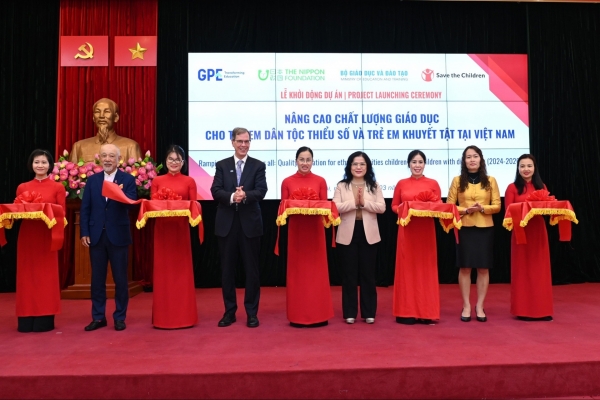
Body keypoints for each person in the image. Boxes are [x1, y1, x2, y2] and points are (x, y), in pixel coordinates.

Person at [210, 127, 267, 328]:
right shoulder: (222, 165)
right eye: (240, 141)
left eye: (247, 141)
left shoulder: (258, 165)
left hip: (250, 225)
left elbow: (261, 190)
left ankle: (252, 313)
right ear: (232, 142)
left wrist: (245, 196)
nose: (244, 145)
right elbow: (215, 191)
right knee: (227, 270)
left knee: (252, 270)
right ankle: (229, 312)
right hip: (227, 225)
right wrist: (233, 196)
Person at [80, 143, 137, 331]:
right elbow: (85, 208)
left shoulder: (127, 179)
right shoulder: (92, 181)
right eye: (104, 155)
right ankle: (98, 317)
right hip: (96, 236)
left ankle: (120, 317)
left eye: (111, 156)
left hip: (118, 235)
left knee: (121, 279)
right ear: (99, 158)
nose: (107, 159)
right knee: (97, 280)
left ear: (119, 159)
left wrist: (117, 193)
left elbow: (131, 204)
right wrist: (84, 232)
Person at [281, 146, 334, 327]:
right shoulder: (287, 181)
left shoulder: (320, 181)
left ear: (313, 161)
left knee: (317, 274)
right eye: (302, 159)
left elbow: (325, 205)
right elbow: (283, 206)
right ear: (296, 161)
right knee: (298, 274)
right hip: (296, 232)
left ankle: (320, 314)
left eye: (308, 160)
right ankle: (297, 315)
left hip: (315, 232)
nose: (305, 163)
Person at [446, 145, 501, 323]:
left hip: (485, 228)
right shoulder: (457, 180)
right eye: (468, 157)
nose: (472, 160)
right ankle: (466, 306)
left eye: (475, 156)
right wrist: (466, 210)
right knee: (465, 267)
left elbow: (497, 206)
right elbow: (449, 206)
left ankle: (480, 306)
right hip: (465, 227)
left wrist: (483, 208)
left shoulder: (491, 180)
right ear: (464, 161)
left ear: (481, 159)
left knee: (483, 268)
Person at [15, 149, 66, 332]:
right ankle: (25, 316)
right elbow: (17, 210)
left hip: (47, 236)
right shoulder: (22, 187)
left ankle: (45, 317)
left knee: (46, 277)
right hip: (28, 236)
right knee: (26, 276)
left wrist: (46, 211)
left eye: (44, 162)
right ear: (31, 164)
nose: (40, 165)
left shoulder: (58, 187)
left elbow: (62, 213)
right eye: (37, 162)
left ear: (50, 165)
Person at [333, 151, 385, 325]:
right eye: (355, 164)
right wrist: (354, 203)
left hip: (368, 233)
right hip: (347, 233)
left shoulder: (374, 185)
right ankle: (350, 312)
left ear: (367, 167)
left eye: (362, 164)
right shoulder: (342, 186)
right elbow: (335, 207)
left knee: (368, 275)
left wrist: (364, 203)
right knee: (349, 275)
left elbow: (382, 207)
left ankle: (369, 312)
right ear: (349, 166)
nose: (358, 167)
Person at [391, 150, 442, 325]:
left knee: (426, 270)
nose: (417, 165)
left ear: (425, 164)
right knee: (406, 270)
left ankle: (427, 312)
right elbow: (394, 206)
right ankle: (406, 312)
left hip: (426, 231)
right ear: (409, 164)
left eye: (420, 162)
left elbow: (439, 205)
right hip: (407, 230)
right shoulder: (401, 183)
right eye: (414, 162)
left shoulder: (433, 183)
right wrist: (405, 209)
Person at [150, 145, 198, 329]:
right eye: (171, 159)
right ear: (165, 161)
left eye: (178, 159)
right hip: (162, 232)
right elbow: (153, 205)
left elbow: (194, 206)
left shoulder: (189, 181)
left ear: (183, 162)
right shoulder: (157, 180)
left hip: (180, 232)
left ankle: (184, 317)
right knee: (163, 274)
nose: (174, 162)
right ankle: (163, 318)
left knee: (181, 274)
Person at [504, 154, 553, 321]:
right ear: (518, 169)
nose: (526, 169)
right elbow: (508, 212)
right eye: (522, 166)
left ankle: (543, 310)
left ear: (534, 168)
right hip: (520, 232)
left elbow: (547, 208)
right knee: (522, 271)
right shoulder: (512, 188)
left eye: (529, 166)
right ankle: (523, 310)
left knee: (540, 271)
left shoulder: (542, 186)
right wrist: (526, 208)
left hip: (538, 232)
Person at [70, 98, 142, 164]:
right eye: (97, 112)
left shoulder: (130, 146)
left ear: (116, 117)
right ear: (93, 118)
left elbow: (136, 172)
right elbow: (71, 173)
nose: (101, 116)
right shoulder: (79, 146)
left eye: (107, 111)